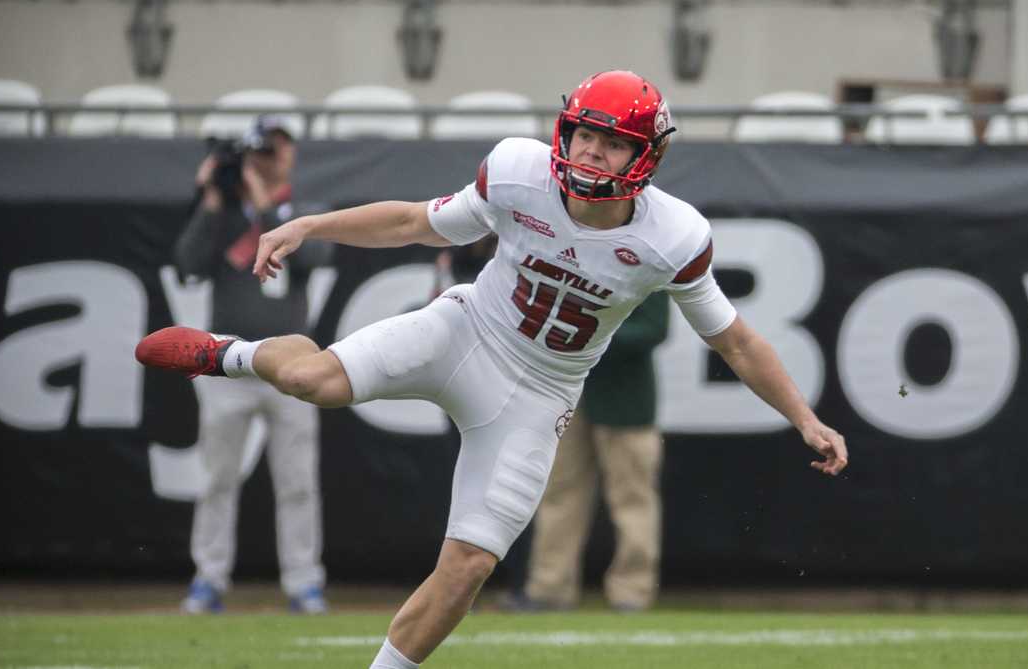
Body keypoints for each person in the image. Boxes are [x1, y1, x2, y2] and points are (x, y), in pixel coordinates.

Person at [136, 70, 847, 667]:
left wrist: (805, 417)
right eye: (584, 135)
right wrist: (307, 225)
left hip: (538, 394)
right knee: (310, 380)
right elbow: (416, 222)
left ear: (644, 158)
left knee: (468, 568)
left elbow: (738, 342)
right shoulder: (518, 171)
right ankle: (226, 352)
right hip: (466, 330)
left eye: (612, 143)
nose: (591, 153)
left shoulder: (673, 237)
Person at [172, 114, 333, 615]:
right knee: (218, 475)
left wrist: (267, 204)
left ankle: (304, 582)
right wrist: (214, 200)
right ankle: (209, 577)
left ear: (290, 156)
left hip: (290, 362)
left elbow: (315, 258)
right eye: (259, 153)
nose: (267, 162)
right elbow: (187, 264)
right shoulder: (224, 215)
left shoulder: (302, 212)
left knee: (298, 480)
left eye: (276, 151)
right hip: (227, 360)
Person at [522, 290, 669, 613]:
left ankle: (632, 591)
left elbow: (655, 328)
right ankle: (550, 588)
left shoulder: (650, 258)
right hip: (568, 395)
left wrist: (589, 338)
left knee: (632, 497)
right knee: (559, 491)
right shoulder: (571, 255)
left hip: (626, 401)